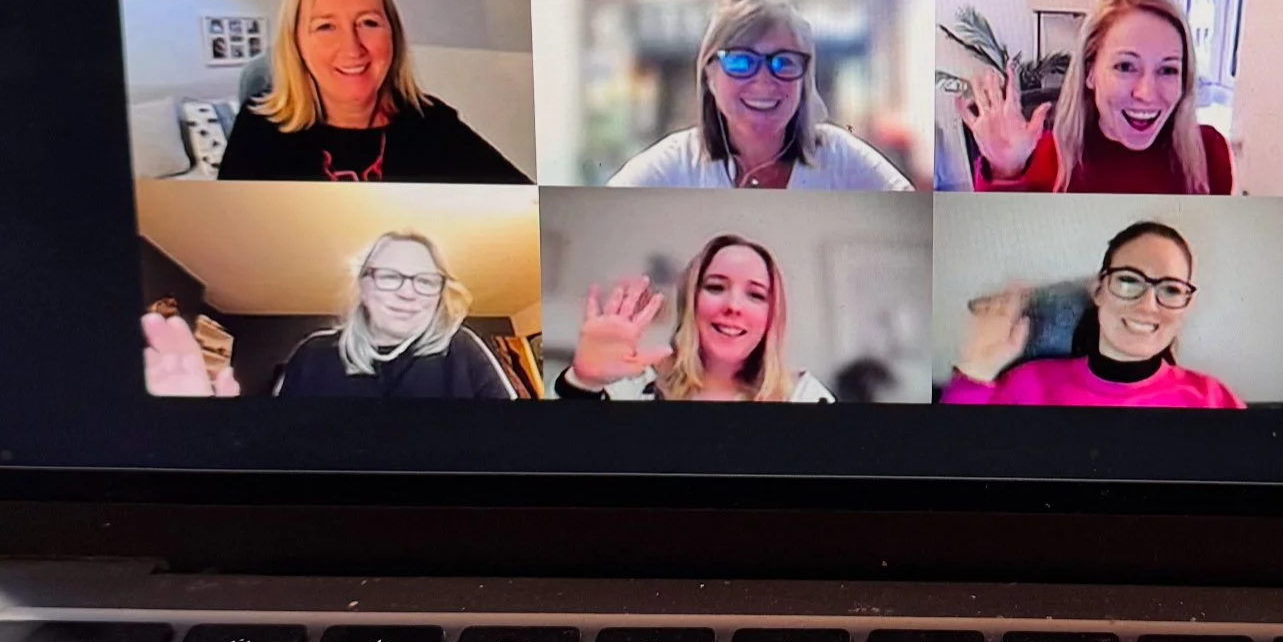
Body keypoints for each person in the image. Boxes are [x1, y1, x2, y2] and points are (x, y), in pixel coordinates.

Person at [957, 0, 1283, 194]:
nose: (1147, 93)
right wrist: (1006, 172)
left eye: (1168, 70)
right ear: (1090, 73)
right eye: (1126, 66)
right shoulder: (1053, 159)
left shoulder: (1210, 153)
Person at [217, 0, 526, 183]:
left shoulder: (434, 125)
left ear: (393, 32)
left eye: (369, 22)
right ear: (295, 42)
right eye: (325, 26)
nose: (353, 48)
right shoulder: (258, 129)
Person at [141, 233, 517, 399]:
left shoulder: (465, 349)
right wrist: (204, 430)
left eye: (425, 280)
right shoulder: (313, 354)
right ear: (365, 287)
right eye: (390, 276)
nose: (408, 291)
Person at [609, 0, 911, 189]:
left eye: (784, 62)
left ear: (804, 78)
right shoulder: (673, 163)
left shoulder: (839, 155)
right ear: (709, 74)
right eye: (741, 61)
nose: (765, 81)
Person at [942, 221, 1245, 408]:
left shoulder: (1212, 400)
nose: (1148, 305)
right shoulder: (1028, 384)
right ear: (1099, 290)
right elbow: (948, 464)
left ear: (1186, 304)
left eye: (1170, 289)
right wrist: (975, 371)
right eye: (1129, 280)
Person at [552, 234, 834, 401]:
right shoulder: (630, 387)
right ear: (690, 302)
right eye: (715, 287)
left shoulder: (806, 397)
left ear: (773, 315)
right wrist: (582, 383)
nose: (733, 305)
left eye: (756, 294)